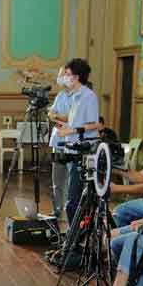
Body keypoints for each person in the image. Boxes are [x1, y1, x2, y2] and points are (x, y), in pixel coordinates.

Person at [52, 58, 101, 225]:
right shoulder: (73, 96)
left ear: (77, 77)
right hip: (71, 148)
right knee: (71, 199)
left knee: (73, 200)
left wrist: (70, 130)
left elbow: (94, 124)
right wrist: (65, 126)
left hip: (83, 152)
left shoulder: (89, 96)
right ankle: (74, 236)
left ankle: (76, 238)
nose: (64, 77)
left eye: (67, 74)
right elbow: (76, 122)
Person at [47, 68, 73, 221]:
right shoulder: (60, 95)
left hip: (71, 142)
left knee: (71, 180)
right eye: (59, 75)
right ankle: (56, 211)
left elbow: (71, 117)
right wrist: (56, 116)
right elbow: (51, 113)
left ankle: (70, 212)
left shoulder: (79, 96)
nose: (60, 78)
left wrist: (57, 117)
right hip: (57, 142)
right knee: (57, 180)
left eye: (63, 74)